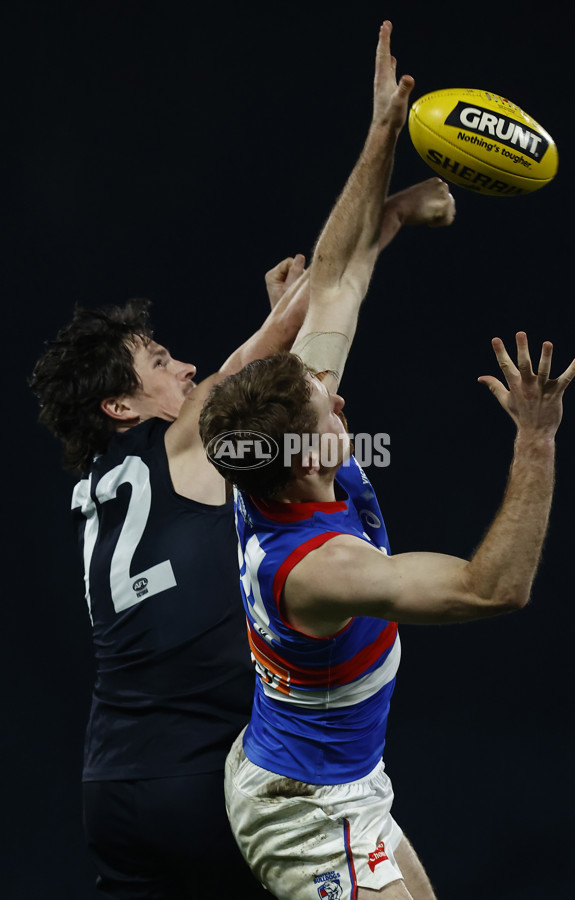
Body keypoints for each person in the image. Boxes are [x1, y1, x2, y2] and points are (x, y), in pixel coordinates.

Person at [28, 21, 455, 898]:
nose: (184, 366)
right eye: (158, 363)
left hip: (111, 782)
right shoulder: (188, 435)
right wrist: (396, 198)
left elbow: (290, 335)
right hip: (201, 778)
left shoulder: (100, 486)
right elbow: (319, 297)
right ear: (119, 406)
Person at [198, 20, 575, 900]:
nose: (338, 397)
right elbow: (494, 589)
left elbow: (335, 278)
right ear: (301, 455)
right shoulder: (321, 568)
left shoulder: (274, 452)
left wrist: (381, 139)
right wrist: (536, 440)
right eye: (324, 408)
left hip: (334, 773)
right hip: (307, 807)